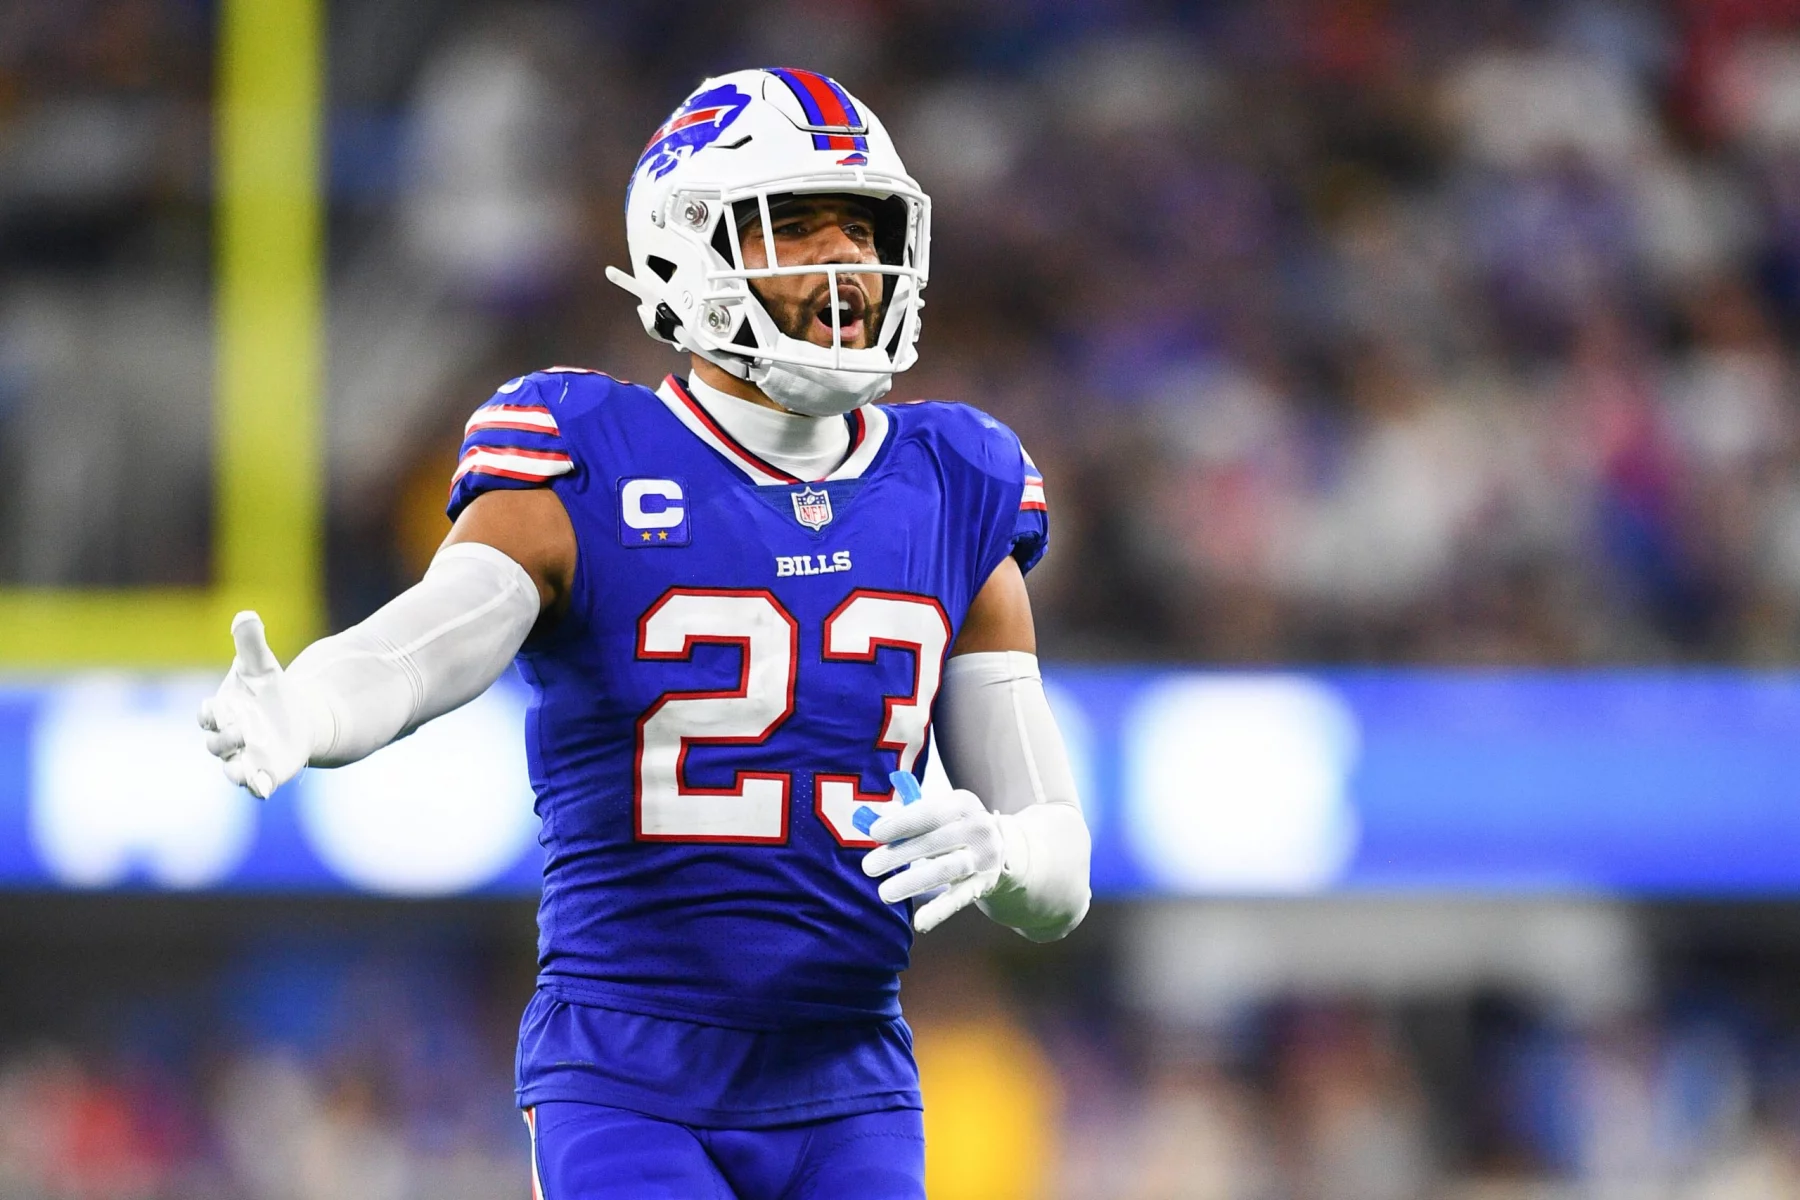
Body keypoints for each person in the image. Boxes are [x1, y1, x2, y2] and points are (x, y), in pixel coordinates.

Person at [198, 67, 1090, 1199]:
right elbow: (429, 640)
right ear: (687, 248)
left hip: (850, 1075)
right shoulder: (588, 453)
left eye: (862, 230)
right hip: (626, 1072)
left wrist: (1007, 856)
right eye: (796, 226)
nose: (844, 264)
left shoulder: (957, 477)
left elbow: (1060, 869)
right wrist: (316, 702)